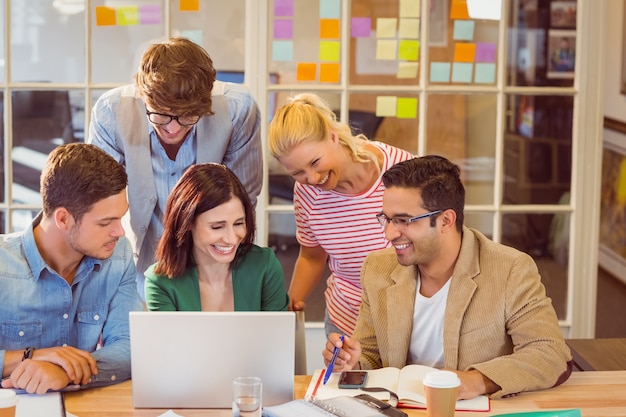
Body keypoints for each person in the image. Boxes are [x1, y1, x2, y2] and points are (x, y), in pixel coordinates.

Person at [323, 155, 573, 400]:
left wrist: (477, 381)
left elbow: (549, 352)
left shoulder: (510, 269)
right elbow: (370, 354)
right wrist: (352, 362)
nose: (388, 233)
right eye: (386, 219)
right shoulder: (377, 268)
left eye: (403, 221)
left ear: (445, 220)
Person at [88, 37, 263, 300]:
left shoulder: (238, 109)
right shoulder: (111, 112)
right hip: (138, 261)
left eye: (188, 116)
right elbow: (97, 204)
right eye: (159, 115)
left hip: (213, 263)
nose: (172, 128)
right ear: (142, 94)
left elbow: (241, 201)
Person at [0, 143, 143, 394]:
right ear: (63, 219)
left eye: (120, 218)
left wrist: (65, 371)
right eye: (105, 222)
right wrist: (32, 357)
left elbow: (129, 346)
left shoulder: (118, 256)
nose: (119, 232)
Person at [268, 93, 414, 337]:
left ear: (332, 135)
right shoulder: (306, 194)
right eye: (298, 172)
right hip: (346, 322)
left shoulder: (401, 169)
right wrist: (289, 305)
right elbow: (312, 257)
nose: (312, 179)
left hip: (407, 318)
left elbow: (436, 245)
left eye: (315, 162)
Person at [144, 163, 289, 312]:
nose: (232, 239)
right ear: (187, 224)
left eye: (238, 223)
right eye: (217, 227)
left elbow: (278, 334)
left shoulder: (264, 266)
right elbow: (170, 336)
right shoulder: (160, 283)